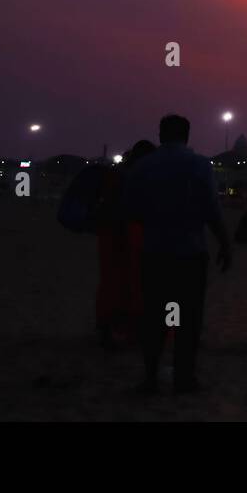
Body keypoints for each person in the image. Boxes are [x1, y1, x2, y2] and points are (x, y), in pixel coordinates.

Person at [126, 114, 233, 395]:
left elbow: (131, 208)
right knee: (188, 319)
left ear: (160, 134)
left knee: (154, 317)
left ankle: (150, 378)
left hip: (155, 253)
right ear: (187, 135)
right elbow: (211, 208)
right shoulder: (198, 165)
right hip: (190, 253)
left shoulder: (145, 166)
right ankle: (184, 378)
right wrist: (225, 242)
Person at [94, 140, 155, 349]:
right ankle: (132, 331)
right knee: (135, 283)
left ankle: (106, 329)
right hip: (131, 233)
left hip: (110, 233)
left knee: (111, 282)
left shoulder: (116, 174)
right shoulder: (141, 176)